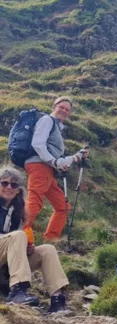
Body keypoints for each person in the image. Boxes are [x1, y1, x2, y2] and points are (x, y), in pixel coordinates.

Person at [0, 166, 69, 312]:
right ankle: (18, 290)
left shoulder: (18, 211)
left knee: (47, 250)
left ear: (18, 190)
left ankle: (57, 299)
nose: (9, 187)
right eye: (4, 183)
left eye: (14, 184)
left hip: (6, 265)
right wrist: (15, 240)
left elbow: (14, 242)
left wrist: (25, 249)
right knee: (19, 236)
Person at [24, 96, 88, 241]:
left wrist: (77, 156)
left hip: (47, 170)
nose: (64, 111)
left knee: (63, 206)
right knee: (34, 203)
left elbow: (59, 160)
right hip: (39, 166)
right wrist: (53, 161)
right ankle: (15, 235)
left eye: (67, 109)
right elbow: (38, 144)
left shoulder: (56, 127)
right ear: (54, 107)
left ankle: (51, 239)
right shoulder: (47, 120)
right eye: (61, 107)